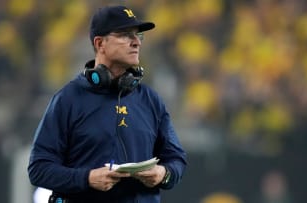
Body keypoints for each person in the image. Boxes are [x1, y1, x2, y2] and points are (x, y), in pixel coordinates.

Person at [27, 5, 187, 203]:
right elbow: (39, 169)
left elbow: (176, 159)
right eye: (126, 35)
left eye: (138, 36)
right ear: (100, 43)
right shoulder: (68, 99)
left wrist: (163, 173)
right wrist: (87, 178)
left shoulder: (151, 100)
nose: (136, 42)